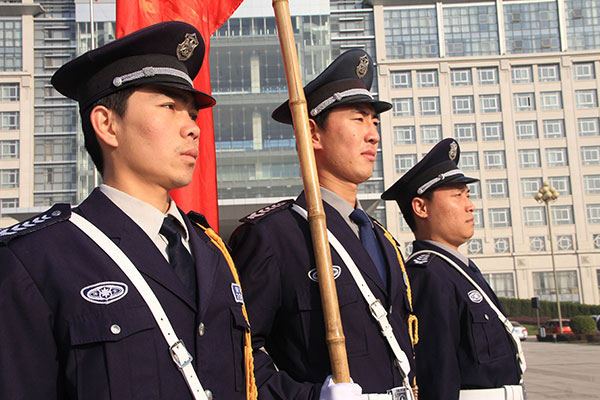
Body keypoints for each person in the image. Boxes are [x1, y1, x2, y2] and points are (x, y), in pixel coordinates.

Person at [0, 21, 257, 400]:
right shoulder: (36, 259)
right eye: (169, 107)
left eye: (192, 114)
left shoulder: (211, 251)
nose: (193, 129)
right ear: (107, 124)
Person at [229, 49, 418, 400]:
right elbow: (237, 354)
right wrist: (310, 397)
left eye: (375, 122)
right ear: (312, 134)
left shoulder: (383, 239)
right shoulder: (275, 236)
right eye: (358, 119)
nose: (373, 135)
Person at [381, 138, 526, 400]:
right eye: (457, 195)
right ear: (421, 207)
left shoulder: (460, 270)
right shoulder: (428, 275)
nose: (470, 205)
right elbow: (438, 378)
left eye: (467, 195)